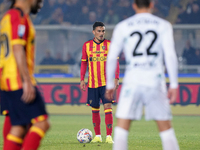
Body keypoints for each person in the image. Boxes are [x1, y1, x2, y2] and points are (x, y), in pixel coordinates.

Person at [105, 0, 179, 150]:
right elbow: (170, 55)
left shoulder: (123, 26)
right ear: (152, 4)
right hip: (155, 80)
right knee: (165, 128)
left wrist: (109, 85)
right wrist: (174, 84)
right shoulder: (163, 25)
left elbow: (112, 57)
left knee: (121, 129)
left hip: (133, 80)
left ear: (134, 5)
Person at [0, 0, 50, 149]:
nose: (41, 2)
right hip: (17, 80)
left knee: (19, 127)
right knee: (41, 123)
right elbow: (17, 48)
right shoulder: (19, 16)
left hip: (7, 79)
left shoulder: (8, 17)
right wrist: (27, 81)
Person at [80, 21, 120, 143]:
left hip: (106, 83)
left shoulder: (110, 45)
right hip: (92, 83)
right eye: (99, 31)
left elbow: (116, 62)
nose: (102, 33)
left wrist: (116, 77)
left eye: (103, 31)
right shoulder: (86, 45)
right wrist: (82, 79)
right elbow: (84, 63)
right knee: (95, 109)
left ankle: (109, 136)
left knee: (108, 107)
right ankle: (98, 136)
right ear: (93, 32)